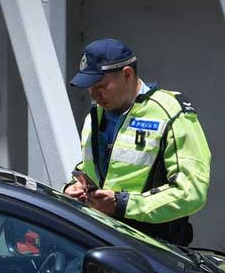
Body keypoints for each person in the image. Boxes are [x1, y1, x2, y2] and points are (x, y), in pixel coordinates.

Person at [64, 38, 211, 247]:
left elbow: (191, 192)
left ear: (127, 74)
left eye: (100, 86)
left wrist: (122, 205)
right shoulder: (95, 114)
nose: (94, 95)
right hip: (103, 240)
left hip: (155, 249)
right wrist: (75, 186)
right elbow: (95, 168)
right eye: (89, 87)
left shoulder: (170, 112)